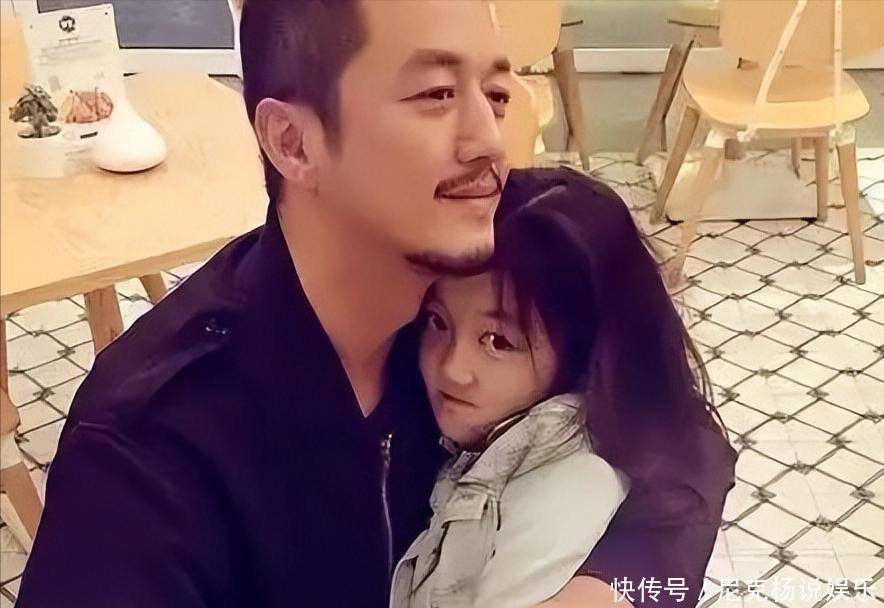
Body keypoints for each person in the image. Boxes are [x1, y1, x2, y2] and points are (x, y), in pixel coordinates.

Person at [17, 2, 736, 607]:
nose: (489, 139)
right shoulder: (149, 454)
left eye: (495, 94)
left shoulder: (480, 279)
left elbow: (684, 438)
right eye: (436, 95)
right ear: (293, 143)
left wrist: (616, 587)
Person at [390, 168, 733, 607]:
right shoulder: (384, 357)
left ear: (586, 349)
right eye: (437, 321)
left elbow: (691, 460)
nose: (452, 368)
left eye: (498, 342)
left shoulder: (586, 478)